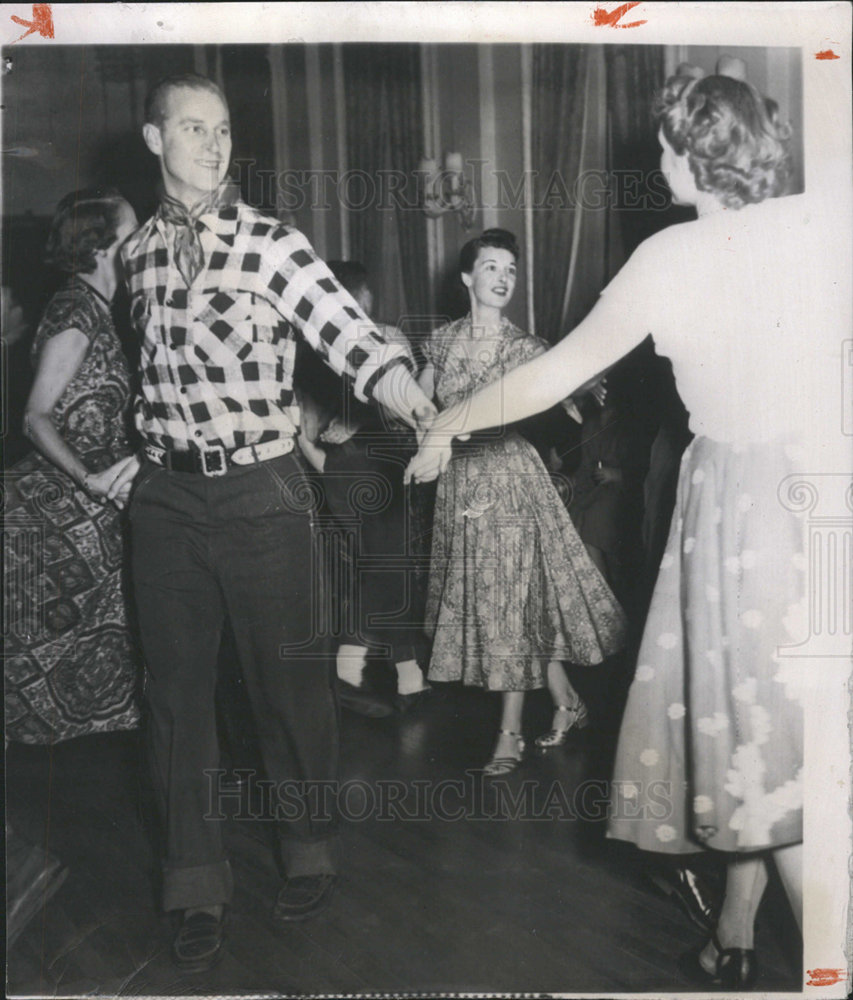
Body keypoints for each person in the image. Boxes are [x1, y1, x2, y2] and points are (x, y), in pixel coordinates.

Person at [406, 67, 834, 988]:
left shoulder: (672, 260)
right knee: (774, 737)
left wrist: (445, 421)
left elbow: (548, 377)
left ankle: (831, 969)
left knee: (767, 758)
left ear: (686, 158)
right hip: (826, 497)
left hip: (744, 512)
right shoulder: (822, 226)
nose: (656, 159)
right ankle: (734, 929)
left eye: (662, 146)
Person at [105, 74, 436, 973]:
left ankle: (307, 850)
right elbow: (150, 375)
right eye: (191, 128)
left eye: (222, 131)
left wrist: (399, 384)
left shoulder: (272, 245)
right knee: (174, 704)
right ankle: (193, 883)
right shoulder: (132, 256)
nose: (212, 146)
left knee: (283, 692)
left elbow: (347, 331)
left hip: (262, 493)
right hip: (168, 504)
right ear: (152, 139)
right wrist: (145, 450)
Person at [418, 228, 627, 775]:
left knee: (508, 605)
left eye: (510, 269)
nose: (503, 278)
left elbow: (564, 383)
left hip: (510, 482)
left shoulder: (525, 348)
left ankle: (508, 733)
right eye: (491, 267)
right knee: (505, 605)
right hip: (458, 485)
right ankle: (567, 702)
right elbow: (419, 409)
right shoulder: (439, 343)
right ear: (467, 277)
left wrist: (580, 389)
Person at [4, 189, 141, 745]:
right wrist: (89, 479)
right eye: (134, 230)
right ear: (104, 244)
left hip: (94, 513)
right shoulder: (75, 309)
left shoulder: (104, 310)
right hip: (56, 512)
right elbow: (35, 418)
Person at [295, 261, 430, 716]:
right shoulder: (373, 340)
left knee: (382, 566)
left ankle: (368, 669)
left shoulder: (373, 339)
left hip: (366, 462)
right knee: (385, 566)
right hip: (363, 464)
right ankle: (379, 669)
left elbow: (398, 407)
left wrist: (322, 453)